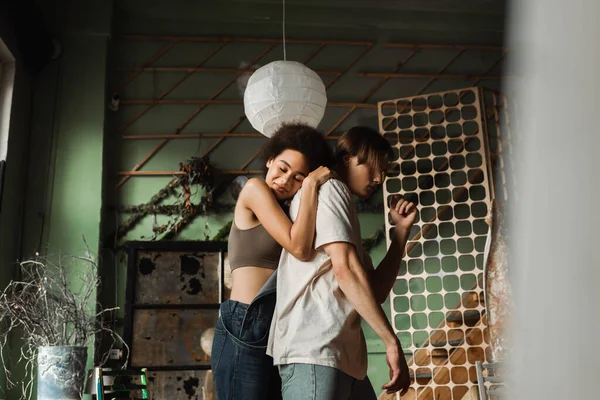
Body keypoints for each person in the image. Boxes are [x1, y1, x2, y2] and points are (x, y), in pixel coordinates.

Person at [267, 126, 417, 400]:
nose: (378, 178)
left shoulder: (341, 204)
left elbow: (374, 291)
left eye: (384, 171)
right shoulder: (331, 189)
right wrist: (391, 342)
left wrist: (400, 234)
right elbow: (344, 267)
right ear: (348, 157)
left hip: (340, 356)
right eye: (372, 167)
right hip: (315, 350)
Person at [211, 123, 334, 400]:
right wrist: (312, 183)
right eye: (282, 168)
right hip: (246, 320)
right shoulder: (255, 189)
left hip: (278, 325)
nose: (285, 180)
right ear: (269, 161)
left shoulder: (290, 212)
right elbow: (300, 248)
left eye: (298, 177)